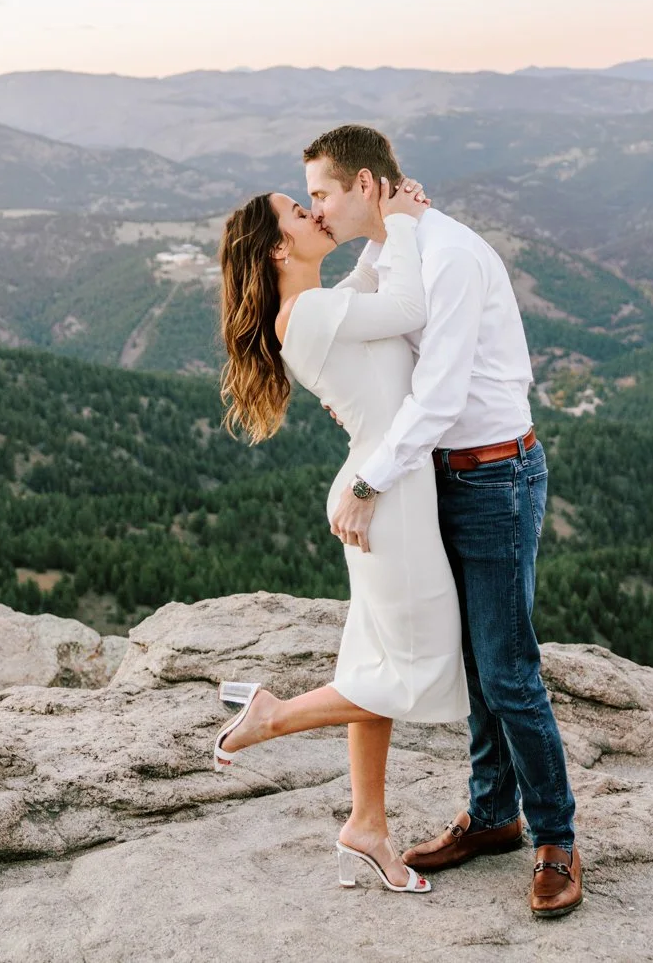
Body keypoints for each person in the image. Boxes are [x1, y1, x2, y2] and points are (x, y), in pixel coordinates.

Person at [303, 124, 581, 921]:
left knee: (508, 671)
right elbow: (359, 308)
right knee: (472, 661)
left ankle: (554, 839)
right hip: (443, 478)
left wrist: (366, 481)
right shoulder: (400, 243)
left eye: (322, 193)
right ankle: (492, 816)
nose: (317, 208)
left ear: (362, 183)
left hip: (493, 474)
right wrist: (396, 223)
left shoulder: (448, 254)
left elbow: (444, 391)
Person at [214, 175, 469, 895]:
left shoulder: (316, 306)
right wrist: (407, 222)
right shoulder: (313, 312)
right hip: (383, 498)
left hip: (385, 490)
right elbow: (410, 305)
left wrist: (379, 221)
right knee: (412, 672)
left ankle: (366, 825)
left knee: (378, 660)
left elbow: (366, 288)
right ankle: (270, 717)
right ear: (273, 250)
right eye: (299, 212)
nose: (313, 211)